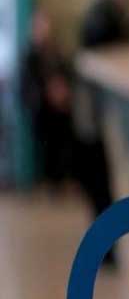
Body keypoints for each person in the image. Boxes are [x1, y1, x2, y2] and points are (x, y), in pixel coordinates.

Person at [74, 0, 129, 268]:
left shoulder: (109, 13)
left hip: (95, 119)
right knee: (100, 187)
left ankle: (107, 249)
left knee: (101, 188)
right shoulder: (103, 15)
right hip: (93, 120)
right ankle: (105, 250)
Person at [21, 10, 76, 186]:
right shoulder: (29, 56)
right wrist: (48, 94)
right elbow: (27, 88)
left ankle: (63, 178)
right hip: (42, 111)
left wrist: (64, 91)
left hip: (61, 109)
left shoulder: (56, 52)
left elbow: (67, 73)